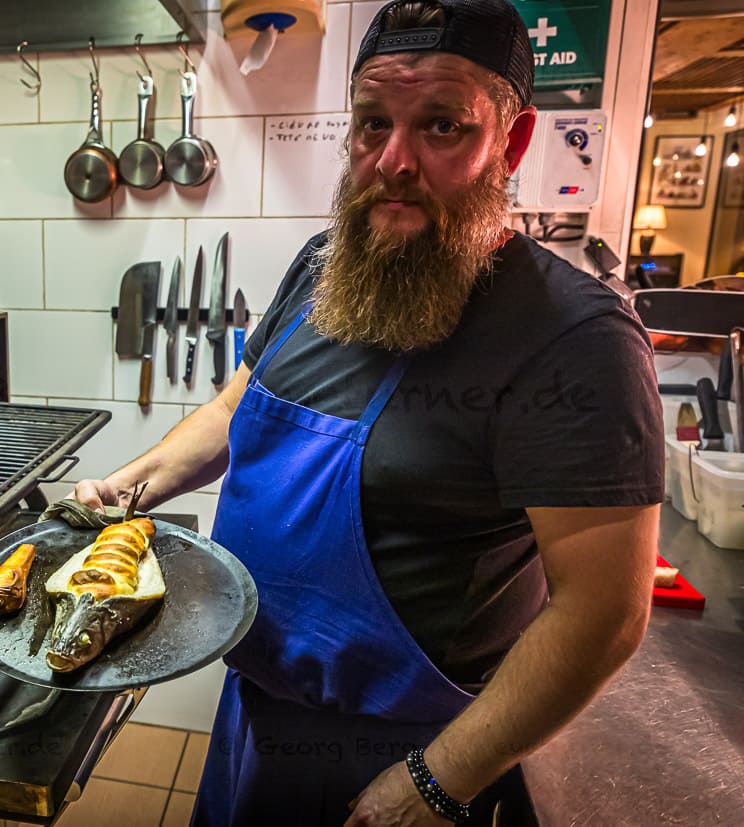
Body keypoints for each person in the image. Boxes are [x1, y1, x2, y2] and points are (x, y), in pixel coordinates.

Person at [72, 0, 664, 824]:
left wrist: (436, 782)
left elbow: (604, 614)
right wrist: (126, 489)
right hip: (257, 707)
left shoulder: (575, 339)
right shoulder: (326, 264)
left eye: (442, 127)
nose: (394, 160)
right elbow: (237, 407)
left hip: (412, 754)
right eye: (371, 123)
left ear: (514, 142)